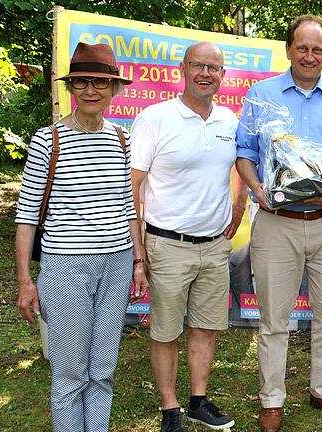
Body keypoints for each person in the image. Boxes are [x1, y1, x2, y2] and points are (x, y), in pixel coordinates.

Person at [235, 15, 322, 432]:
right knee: (275, 317)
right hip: (277, 222)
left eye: (318, 49)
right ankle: (272, 399)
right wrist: (257, 190)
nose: (310, 56)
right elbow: (244, 154)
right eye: (302, 48)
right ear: (288, 49)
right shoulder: (261, 95)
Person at [15, 42, 148, 432]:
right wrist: (25, 281)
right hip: (65, 268)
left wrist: (138, 263)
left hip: (117, 264)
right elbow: (25, 217)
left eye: (101, 82)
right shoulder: (47, 140)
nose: (91, 90)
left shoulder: (121, 139)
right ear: (71, 87)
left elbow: (128, 208)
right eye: (82, 82)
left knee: (103, 370)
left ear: (114, 89)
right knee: (70, 374)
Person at [130, 42, 245, 432]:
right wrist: (139, 252)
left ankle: (198, 401)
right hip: (167, 245)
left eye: (214, 68)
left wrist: (240, 205)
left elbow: (240, 167)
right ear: (183, 68)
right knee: (165, 330)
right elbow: (133, 189)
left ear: (222, 75)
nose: (206, 74)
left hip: (213, 246)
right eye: (198, 65)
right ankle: (170, 408)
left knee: (205, 327)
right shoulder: (154, 119)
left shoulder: (229, 121)